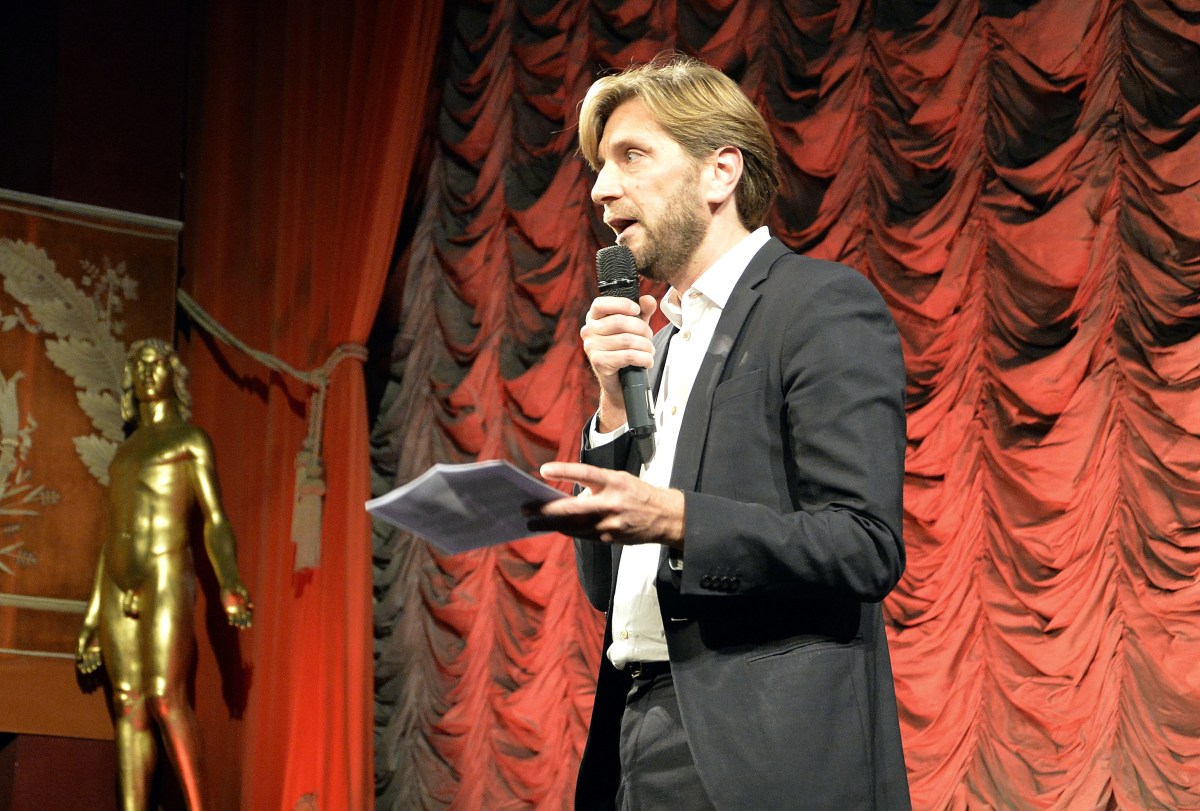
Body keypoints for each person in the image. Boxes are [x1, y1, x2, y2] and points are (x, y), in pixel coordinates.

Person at [528, 54, 911, 809]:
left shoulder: (817, 305)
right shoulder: (659, 346)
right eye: (600, 168)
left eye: (632, 156)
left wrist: (678, 519)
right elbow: (607, 587)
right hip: (636, 732)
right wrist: (612, 410)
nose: (602, 189)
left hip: (765, 752)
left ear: (720, 172)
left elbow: (864, 544)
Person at [76, 338, 253, 811]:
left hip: (166, 571)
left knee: (163, 696)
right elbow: (110, 537)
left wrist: (229, 580)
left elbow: (215, 519)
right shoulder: (124, 454)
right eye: (137, 365)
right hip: (117, 583)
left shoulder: (189, 440)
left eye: (155, 363)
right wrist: (91, 617)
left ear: (174, 372)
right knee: (127, 705)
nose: (145, 372)